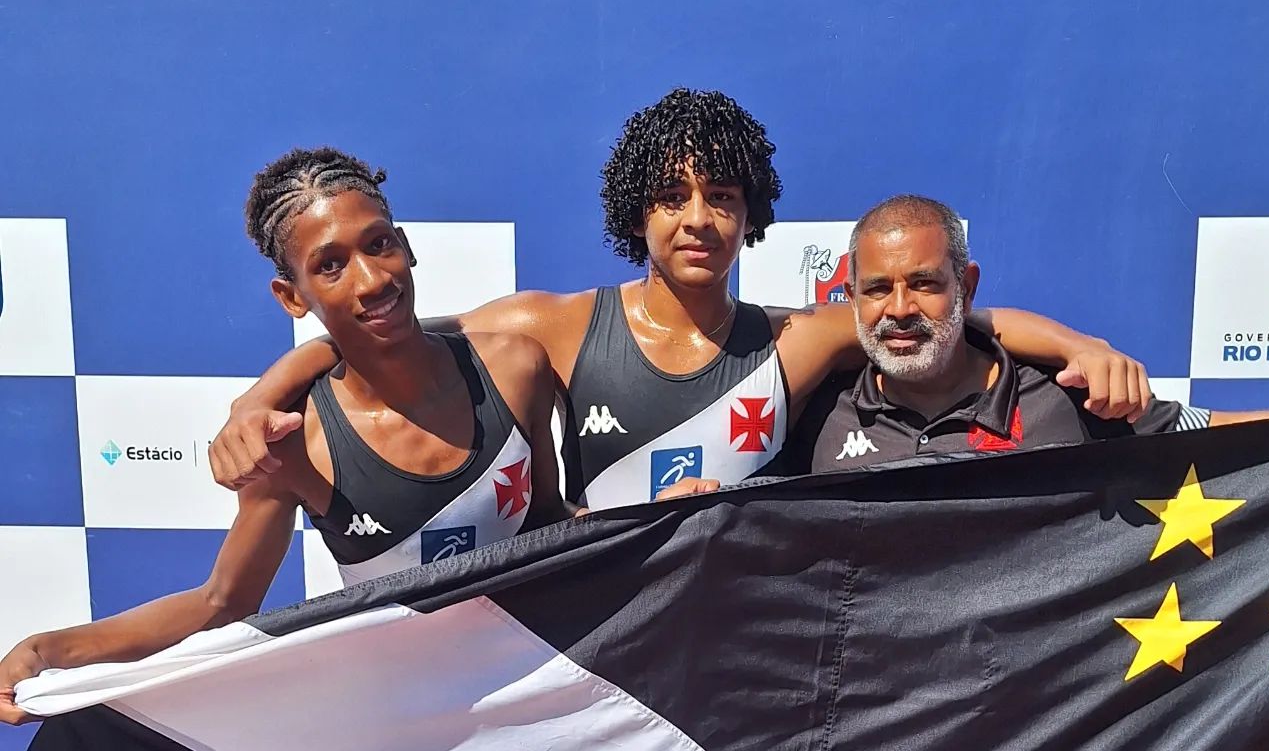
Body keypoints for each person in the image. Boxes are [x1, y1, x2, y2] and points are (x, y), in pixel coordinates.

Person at [207, 90, 1156, 510]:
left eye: (722, 197)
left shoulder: (801, 337)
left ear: (751, 215)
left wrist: (1080, 344)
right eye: (672, 197)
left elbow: (967, 321)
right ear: (639, 214)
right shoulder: (561, 325)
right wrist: (260, 398)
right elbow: (385, 333)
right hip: (611, 646)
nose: (698, 219)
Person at [0, 148, 564, 725]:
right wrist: (49, 651)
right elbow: (223, 603)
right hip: (410, 723)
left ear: (405, 245)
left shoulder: (516, 367)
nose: (372, 280)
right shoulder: (294, 440)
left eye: (378, 245)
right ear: (292, 297)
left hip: (544, 694)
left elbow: (554, 526)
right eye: (330, 266)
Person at [732, 194, 1269, 484]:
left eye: (924, 284)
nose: (899, 309)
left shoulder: (1068, 394)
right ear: (851, 297)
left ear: (966, 288)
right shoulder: (817, 412)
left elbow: (1235, 436)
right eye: (877, 289)